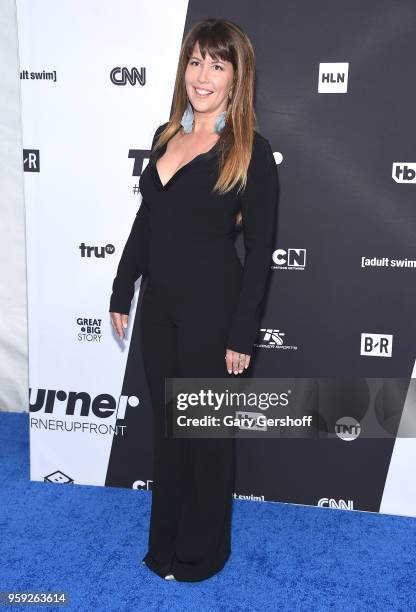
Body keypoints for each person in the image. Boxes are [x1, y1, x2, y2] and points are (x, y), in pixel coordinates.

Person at [109, 18, 278, 582]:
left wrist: (241, 333)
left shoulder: (249, 149)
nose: (202, 76)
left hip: (213, 314)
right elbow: (147, 220)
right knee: (168, 435)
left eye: (217, 64)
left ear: (236, 77)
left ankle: (203, 555)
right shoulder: (166, 135)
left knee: (204, 438)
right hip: (159, 311)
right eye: (196, 61)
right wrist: (121, 287)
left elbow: (260, 252)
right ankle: (164, 549)